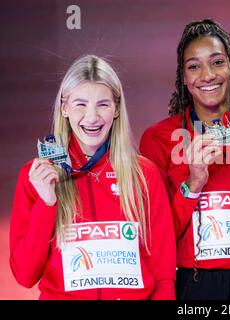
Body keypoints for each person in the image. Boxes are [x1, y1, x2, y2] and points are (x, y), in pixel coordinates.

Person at [140, 19, 230, 300]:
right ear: (183, 77)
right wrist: (192, 185)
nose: (207, 75)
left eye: (217, 62)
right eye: (194, 66)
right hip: (194, 284)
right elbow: (156, 239)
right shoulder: (159, 138)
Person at [10, 55, 176, 300]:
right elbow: (25, 275)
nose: (92, 117)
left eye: (103, 104)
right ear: (64, 107)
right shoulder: (36, 176)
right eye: (80, 104)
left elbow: (163, 274)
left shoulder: (144, 174)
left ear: (117, 109)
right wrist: (47, 204)